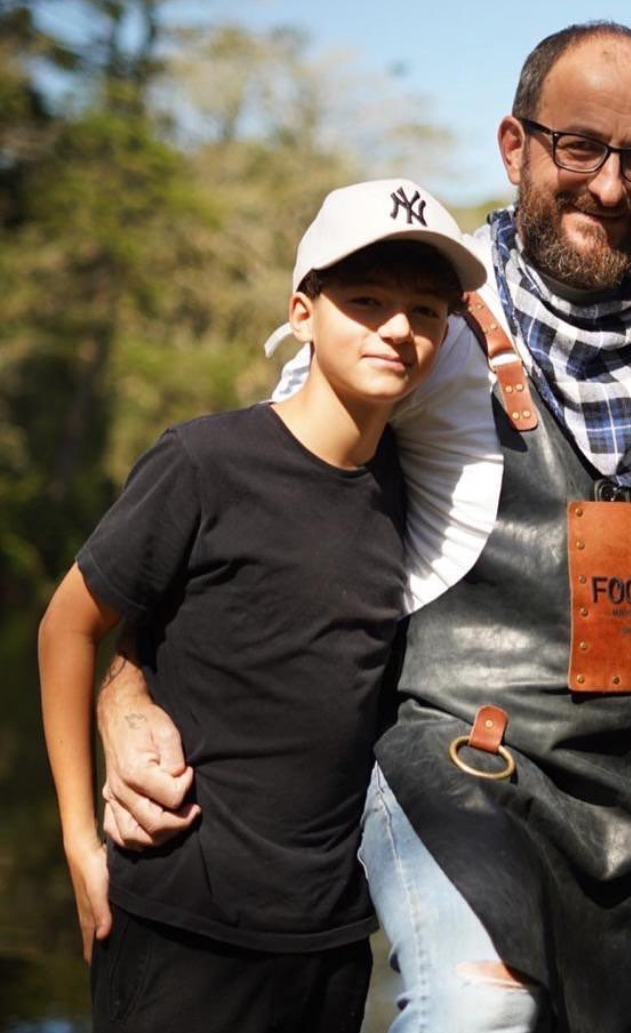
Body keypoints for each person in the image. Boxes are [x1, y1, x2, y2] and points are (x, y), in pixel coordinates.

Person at [93, 22, 631, 1033]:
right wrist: (124, 686)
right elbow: (259, 517)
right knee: (476, 1013)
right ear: (514, 145)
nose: (610, 186)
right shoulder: (419, 308)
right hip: (460, 766)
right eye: (579, 146)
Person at [38, 178, 488, 1033]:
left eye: (426, 311)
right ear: (303, 311)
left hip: (326, 942)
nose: (398, 328)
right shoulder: (205, 463)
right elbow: (68, 623)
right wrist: (76, 838)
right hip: (183, 925)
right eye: (365, 301)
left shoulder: (416, 496)